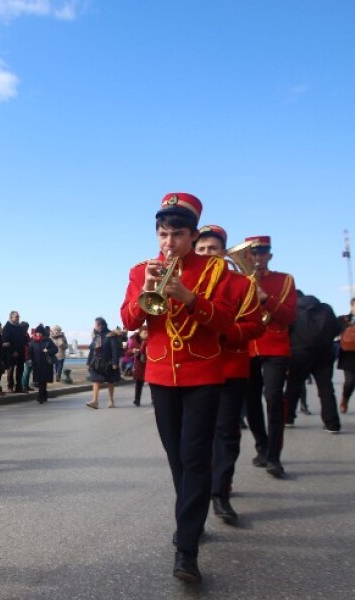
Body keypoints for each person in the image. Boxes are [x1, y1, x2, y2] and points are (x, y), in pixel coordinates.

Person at [119, 193, 241, 583]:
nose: (168, 242)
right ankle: (193, 514)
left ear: (193, 235)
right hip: (160, 375)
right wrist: (146, 292)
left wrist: (190, 299)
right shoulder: (142, 269)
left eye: (177, 234)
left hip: (203, 375)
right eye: (162, 233)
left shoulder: (218, 272)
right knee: (176, 458)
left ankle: (186, 549)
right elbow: (127, 319)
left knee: (194, 457)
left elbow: (226, 323)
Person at [194, 225, 265, 526]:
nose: (207, 254)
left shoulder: (240, 283)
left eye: (213, 249)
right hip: (195, 369)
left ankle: (221, 491)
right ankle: (199, 492)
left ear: (223, 253)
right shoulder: (186, 281)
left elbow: (255, 327)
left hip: (230, 367)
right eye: (201, 249)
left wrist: (223, 333)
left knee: (226, 433)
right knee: (197, 437)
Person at [243, 235, 297, 479]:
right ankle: (262, 446)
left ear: (270, 255)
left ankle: (275, 456)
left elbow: (288, 316)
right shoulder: (240, 281)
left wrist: (266, 299)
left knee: (274, 398)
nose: (257, 258)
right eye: (253, 253)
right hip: (246, 346)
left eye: (262, 253)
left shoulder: (284, 280)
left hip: (274, 345)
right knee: (250, 401)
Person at [282, 291, 342, 431]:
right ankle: (332, 423)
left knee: (293, 387)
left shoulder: (291, 310)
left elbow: (286, 332)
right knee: (326, 388)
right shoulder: (326, 308)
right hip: (324, 354)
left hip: (299, 354)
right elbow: (336, 329)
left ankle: (287, 418)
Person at [86, 317, 122, 409]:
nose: (94, 326)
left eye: (96, 324)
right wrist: (88, 362)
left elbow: (115, 350)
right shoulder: (96, 336)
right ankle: (95, 401)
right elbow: (92, 350)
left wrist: (115, 363)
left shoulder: (111, 335)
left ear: (100, 325)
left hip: (108, 362)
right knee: (95, 380)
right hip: (96, 362)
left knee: (110, 381)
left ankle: (111, 401)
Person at [27, 323, 58, 403]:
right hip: (36, 364)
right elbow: (29, 352)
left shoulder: (48, 341)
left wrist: (48, 351)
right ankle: (44, 396)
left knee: (43, 381)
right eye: (37, 332)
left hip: (46, 364)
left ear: (43, 333)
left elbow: (55, 349)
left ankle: (41, 397)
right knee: (40, 381)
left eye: (40, 333)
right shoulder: (33, 342)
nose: (38, 334)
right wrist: (29, 359)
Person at [2, 311, 28, 393]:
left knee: (20, 369)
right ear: (11, 317)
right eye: (16, 317)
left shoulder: (19, 327)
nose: (18, 318)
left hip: (20, 351)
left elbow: (22, 339)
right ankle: (10, 386)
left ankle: (18, 386)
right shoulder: (7, 327)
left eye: (18, 317)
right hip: (11, 353)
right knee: (11, 369)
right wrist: (13, 351)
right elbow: (6, 341)